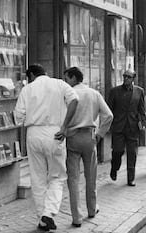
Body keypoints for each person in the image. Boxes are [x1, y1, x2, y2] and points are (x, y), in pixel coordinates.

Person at [14, 64, 79, 231]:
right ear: (45, 73)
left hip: (33, 133)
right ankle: (48, 213)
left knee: (38, 177)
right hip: (55, 132)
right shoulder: (59, 84)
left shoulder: (27, 89)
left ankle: (42, 217)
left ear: (31, 75)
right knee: (57, 176)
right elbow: (75, 100)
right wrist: (65, 126)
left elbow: (18, 117)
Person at [59, 67, 113, 227]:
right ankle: (91, 209)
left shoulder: (67, 94)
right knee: (91, 176)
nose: (65, 82)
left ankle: (76, 217)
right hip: (90, 136)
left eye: (66, 78)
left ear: (73, 78)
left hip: (72, 137)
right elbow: (109, 115)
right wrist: (100, 134)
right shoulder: (94, 93)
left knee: (73, 179)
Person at [107, 69, 146, 186]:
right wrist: (109, 124)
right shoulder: (115, 91)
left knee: (132, 153)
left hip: (132, 127)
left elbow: (142, 109)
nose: (126, 79)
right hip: (118, 126)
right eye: (124, 76)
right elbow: (109, 109)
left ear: (133, 78)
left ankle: (131, 178)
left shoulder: (139, 91)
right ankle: (114, 168)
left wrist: (143, 123)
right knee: (117, 151)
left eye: (128, 77)